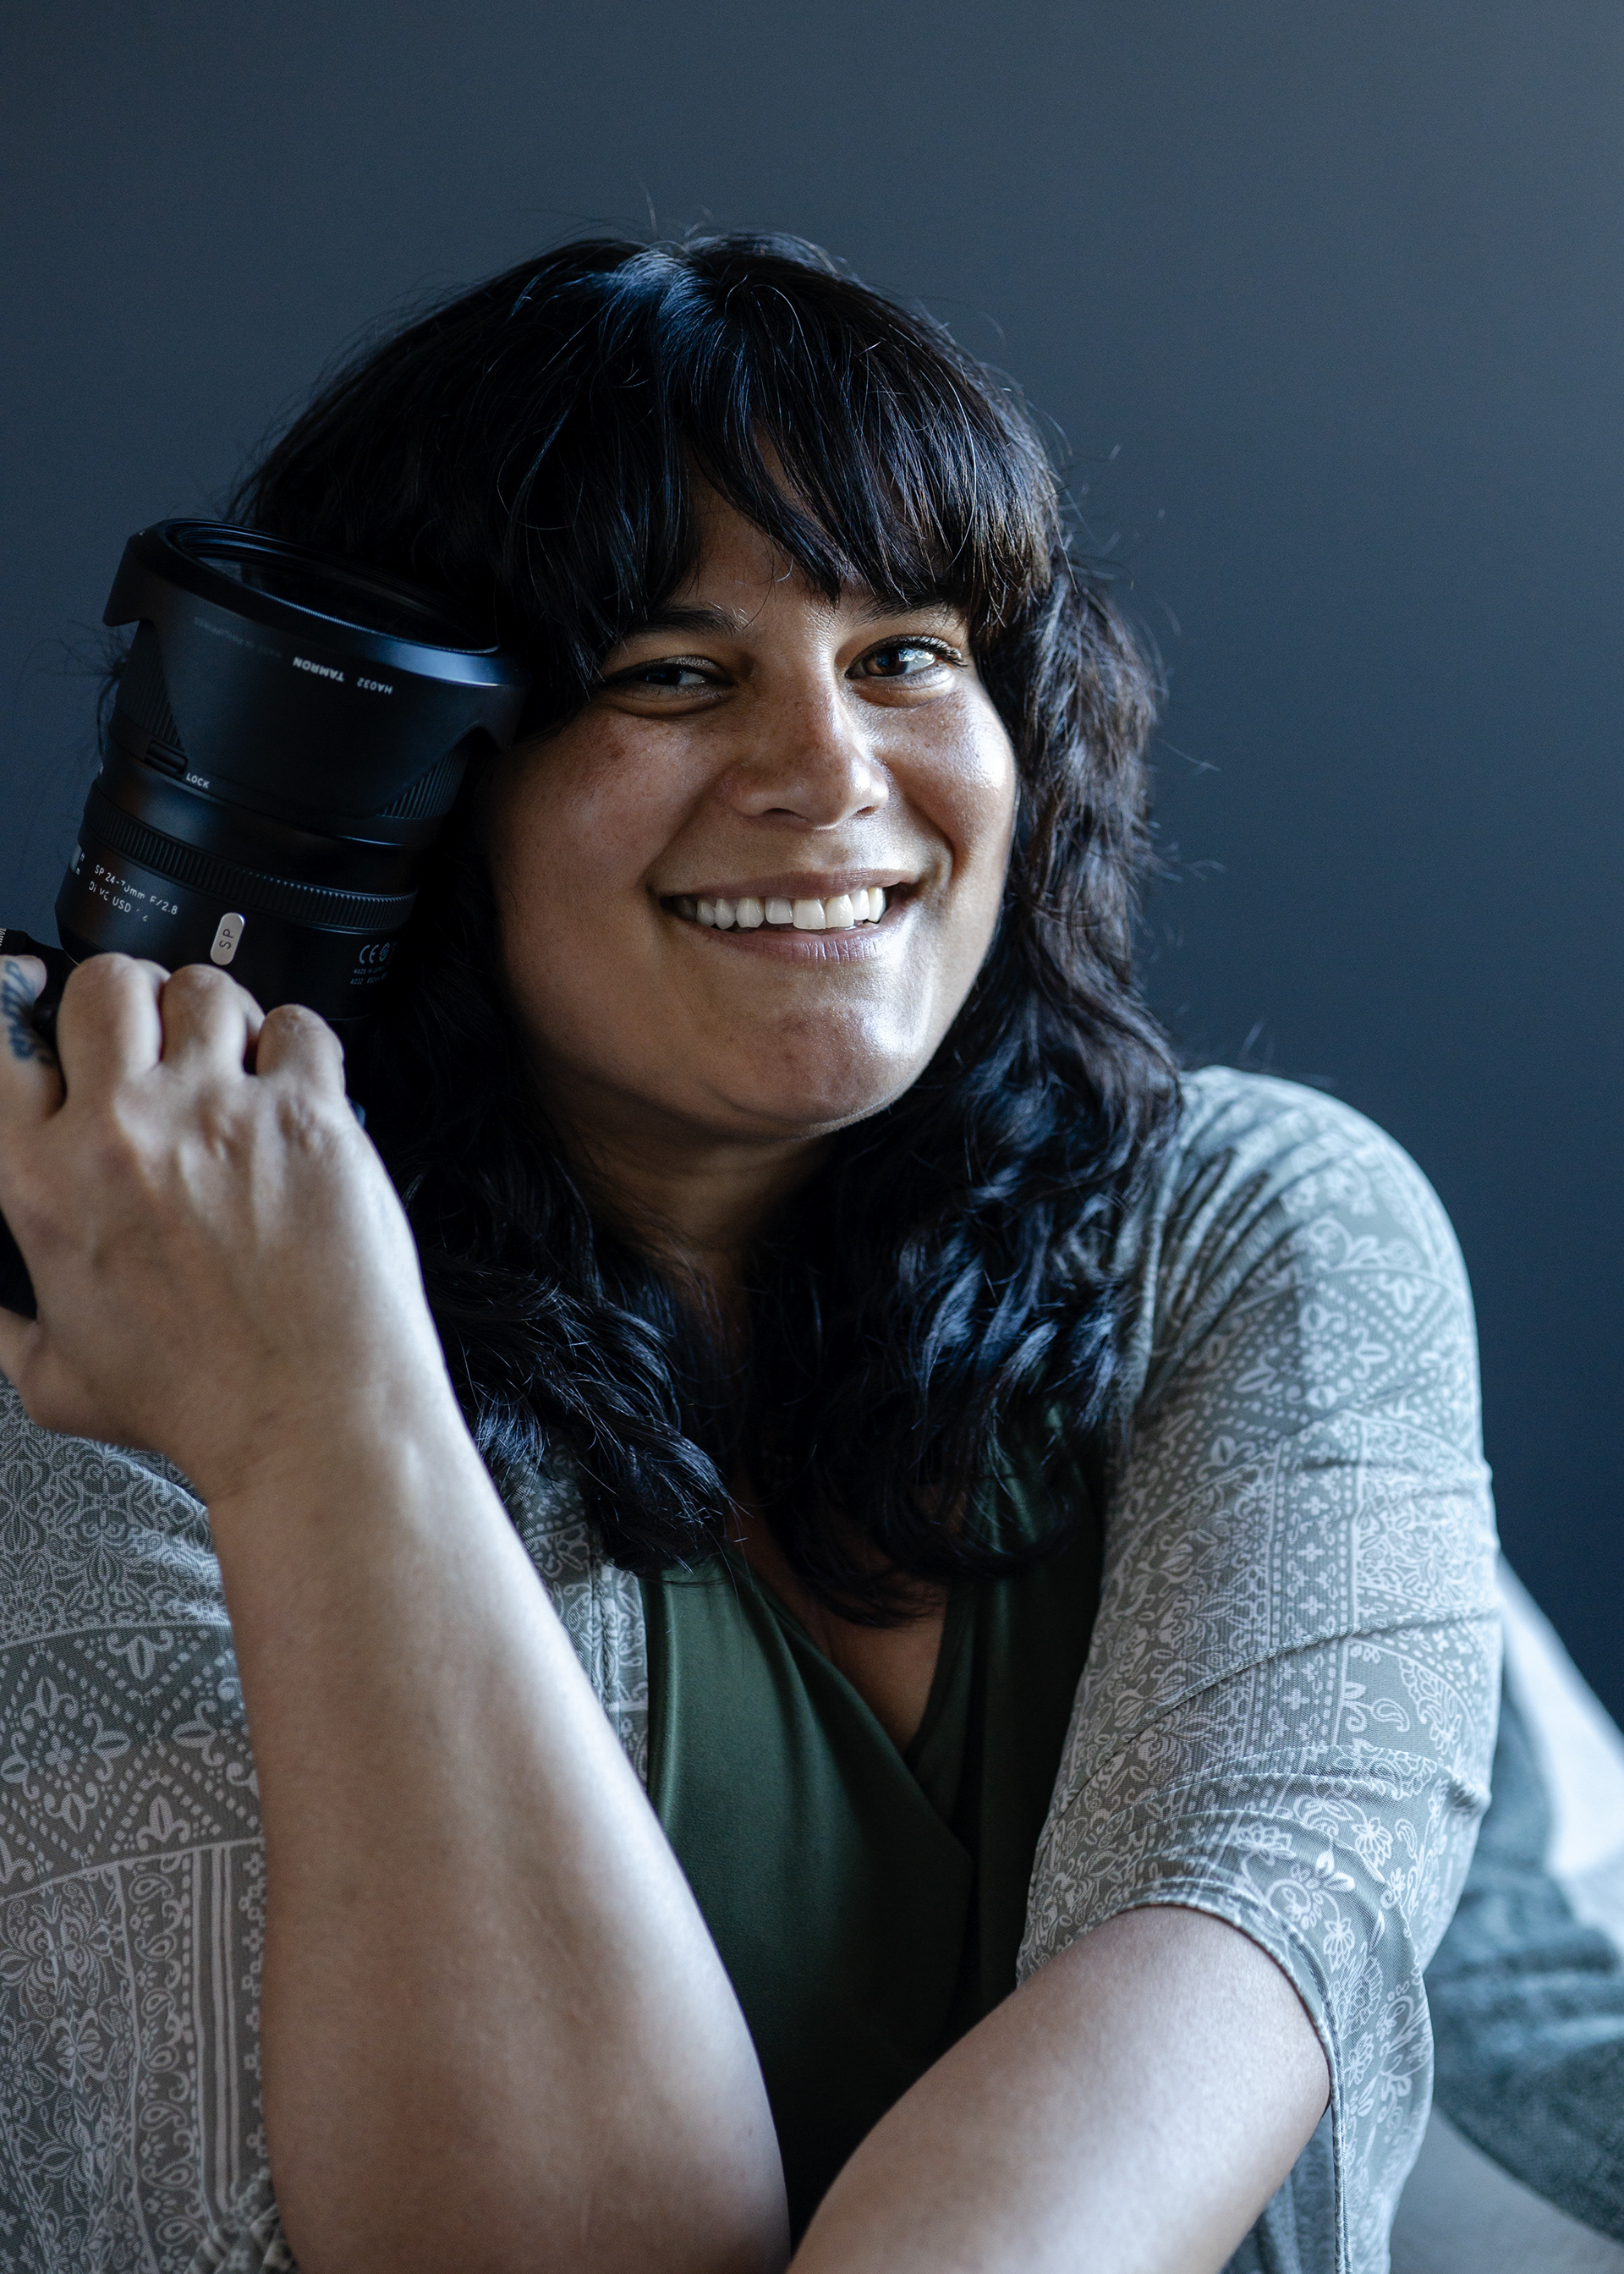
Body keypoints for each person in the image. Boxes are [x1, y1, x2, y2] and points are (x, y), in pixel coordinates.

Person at [0, 235, 1505, 2274]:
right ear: (388, 791)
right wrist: (318, 1418)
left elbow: (1256, 1939)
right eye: (675, 675)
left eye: (907, 655)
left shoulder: (1245, 1232)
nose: (831, 773)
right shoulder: (108, 1341)